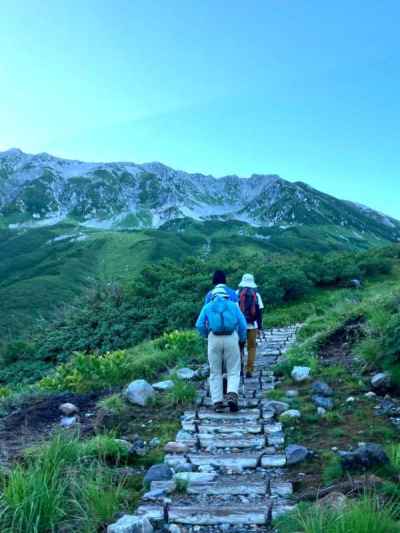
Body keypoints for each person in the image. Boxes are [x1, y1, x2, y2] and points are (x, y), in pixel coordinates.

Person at [196, 285, 248, 412]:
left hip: (214, 338)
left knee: (215, 371)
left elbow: (199, 325)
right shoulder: (233, 306)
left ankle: (217, 401)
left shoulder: (207, 307)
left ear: (213, 296)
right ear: (226, 296)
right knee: (233, 370)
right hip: (231, 337)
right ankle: (231, 394)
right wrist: (241, 339)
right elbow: (243, 325)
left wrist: (206, 334)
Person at [237, 273, 264, 378]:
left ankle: (239, 369)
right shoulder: (256, 295)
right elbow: (260, 312)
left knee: (239, 347)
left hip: (240, 326)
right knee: (251, 347)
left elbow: (235, 312)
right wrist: (260, 328)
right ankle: (249, 369)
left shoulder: (237, 293)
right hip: (253, 325)